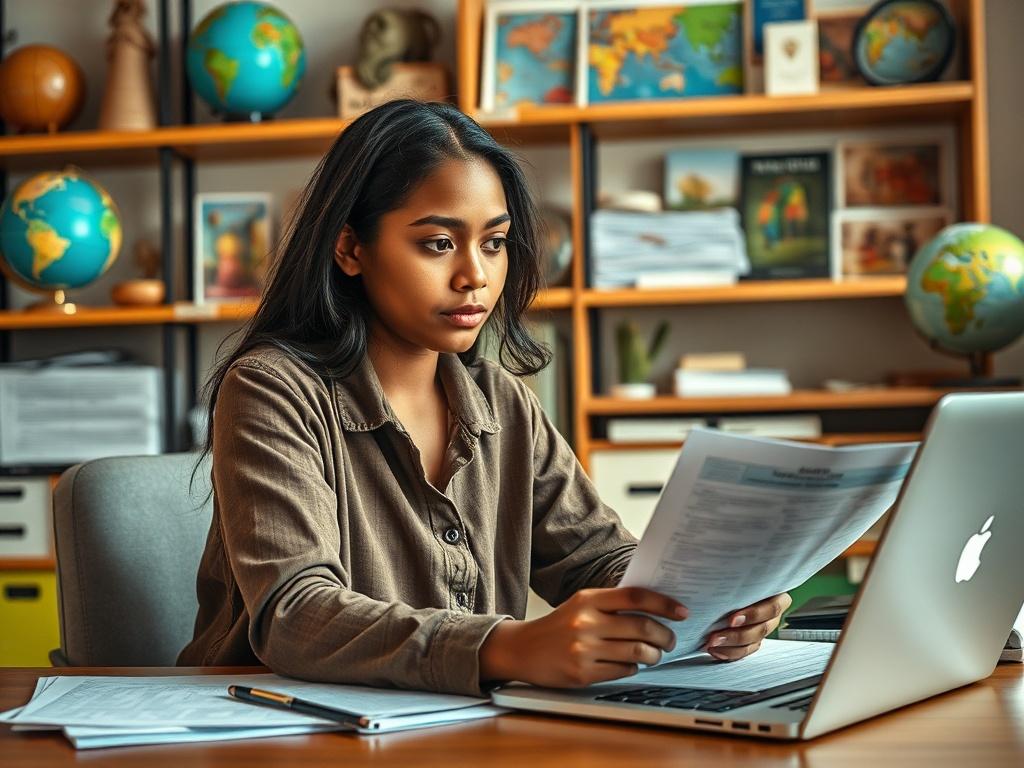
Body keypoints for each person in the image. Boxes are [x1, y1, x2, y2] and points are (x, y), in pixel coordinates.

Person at [178, 100, 791, 695]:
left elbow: (596, 560)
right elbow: (296, 615)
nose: (475, 274)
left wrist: (711, 601)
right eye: (438, 243)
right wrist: (509, 647)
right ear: (351, 248)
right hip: (284, 730)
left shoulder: (503, 401)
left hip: (463, 729)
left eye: (493, 243)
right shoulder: (271, 389)